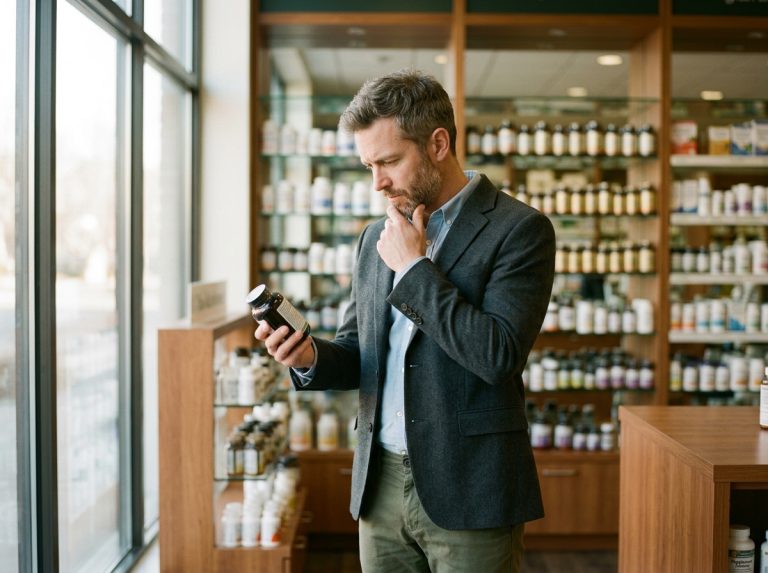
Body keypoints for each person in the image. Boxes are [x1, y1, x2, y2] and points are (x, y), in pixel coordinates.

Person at [255, 69, 556, 573]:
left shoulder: (519, 230)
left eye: (389, 161)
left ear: (438, 143)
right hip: (380, 487)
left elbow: (497, 356)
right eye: (368, 165)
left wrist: (414, 269)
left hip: (471, 488)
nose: (378, 182)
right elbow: (359, 351)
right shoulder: (376, 236)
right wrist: (308, 356)